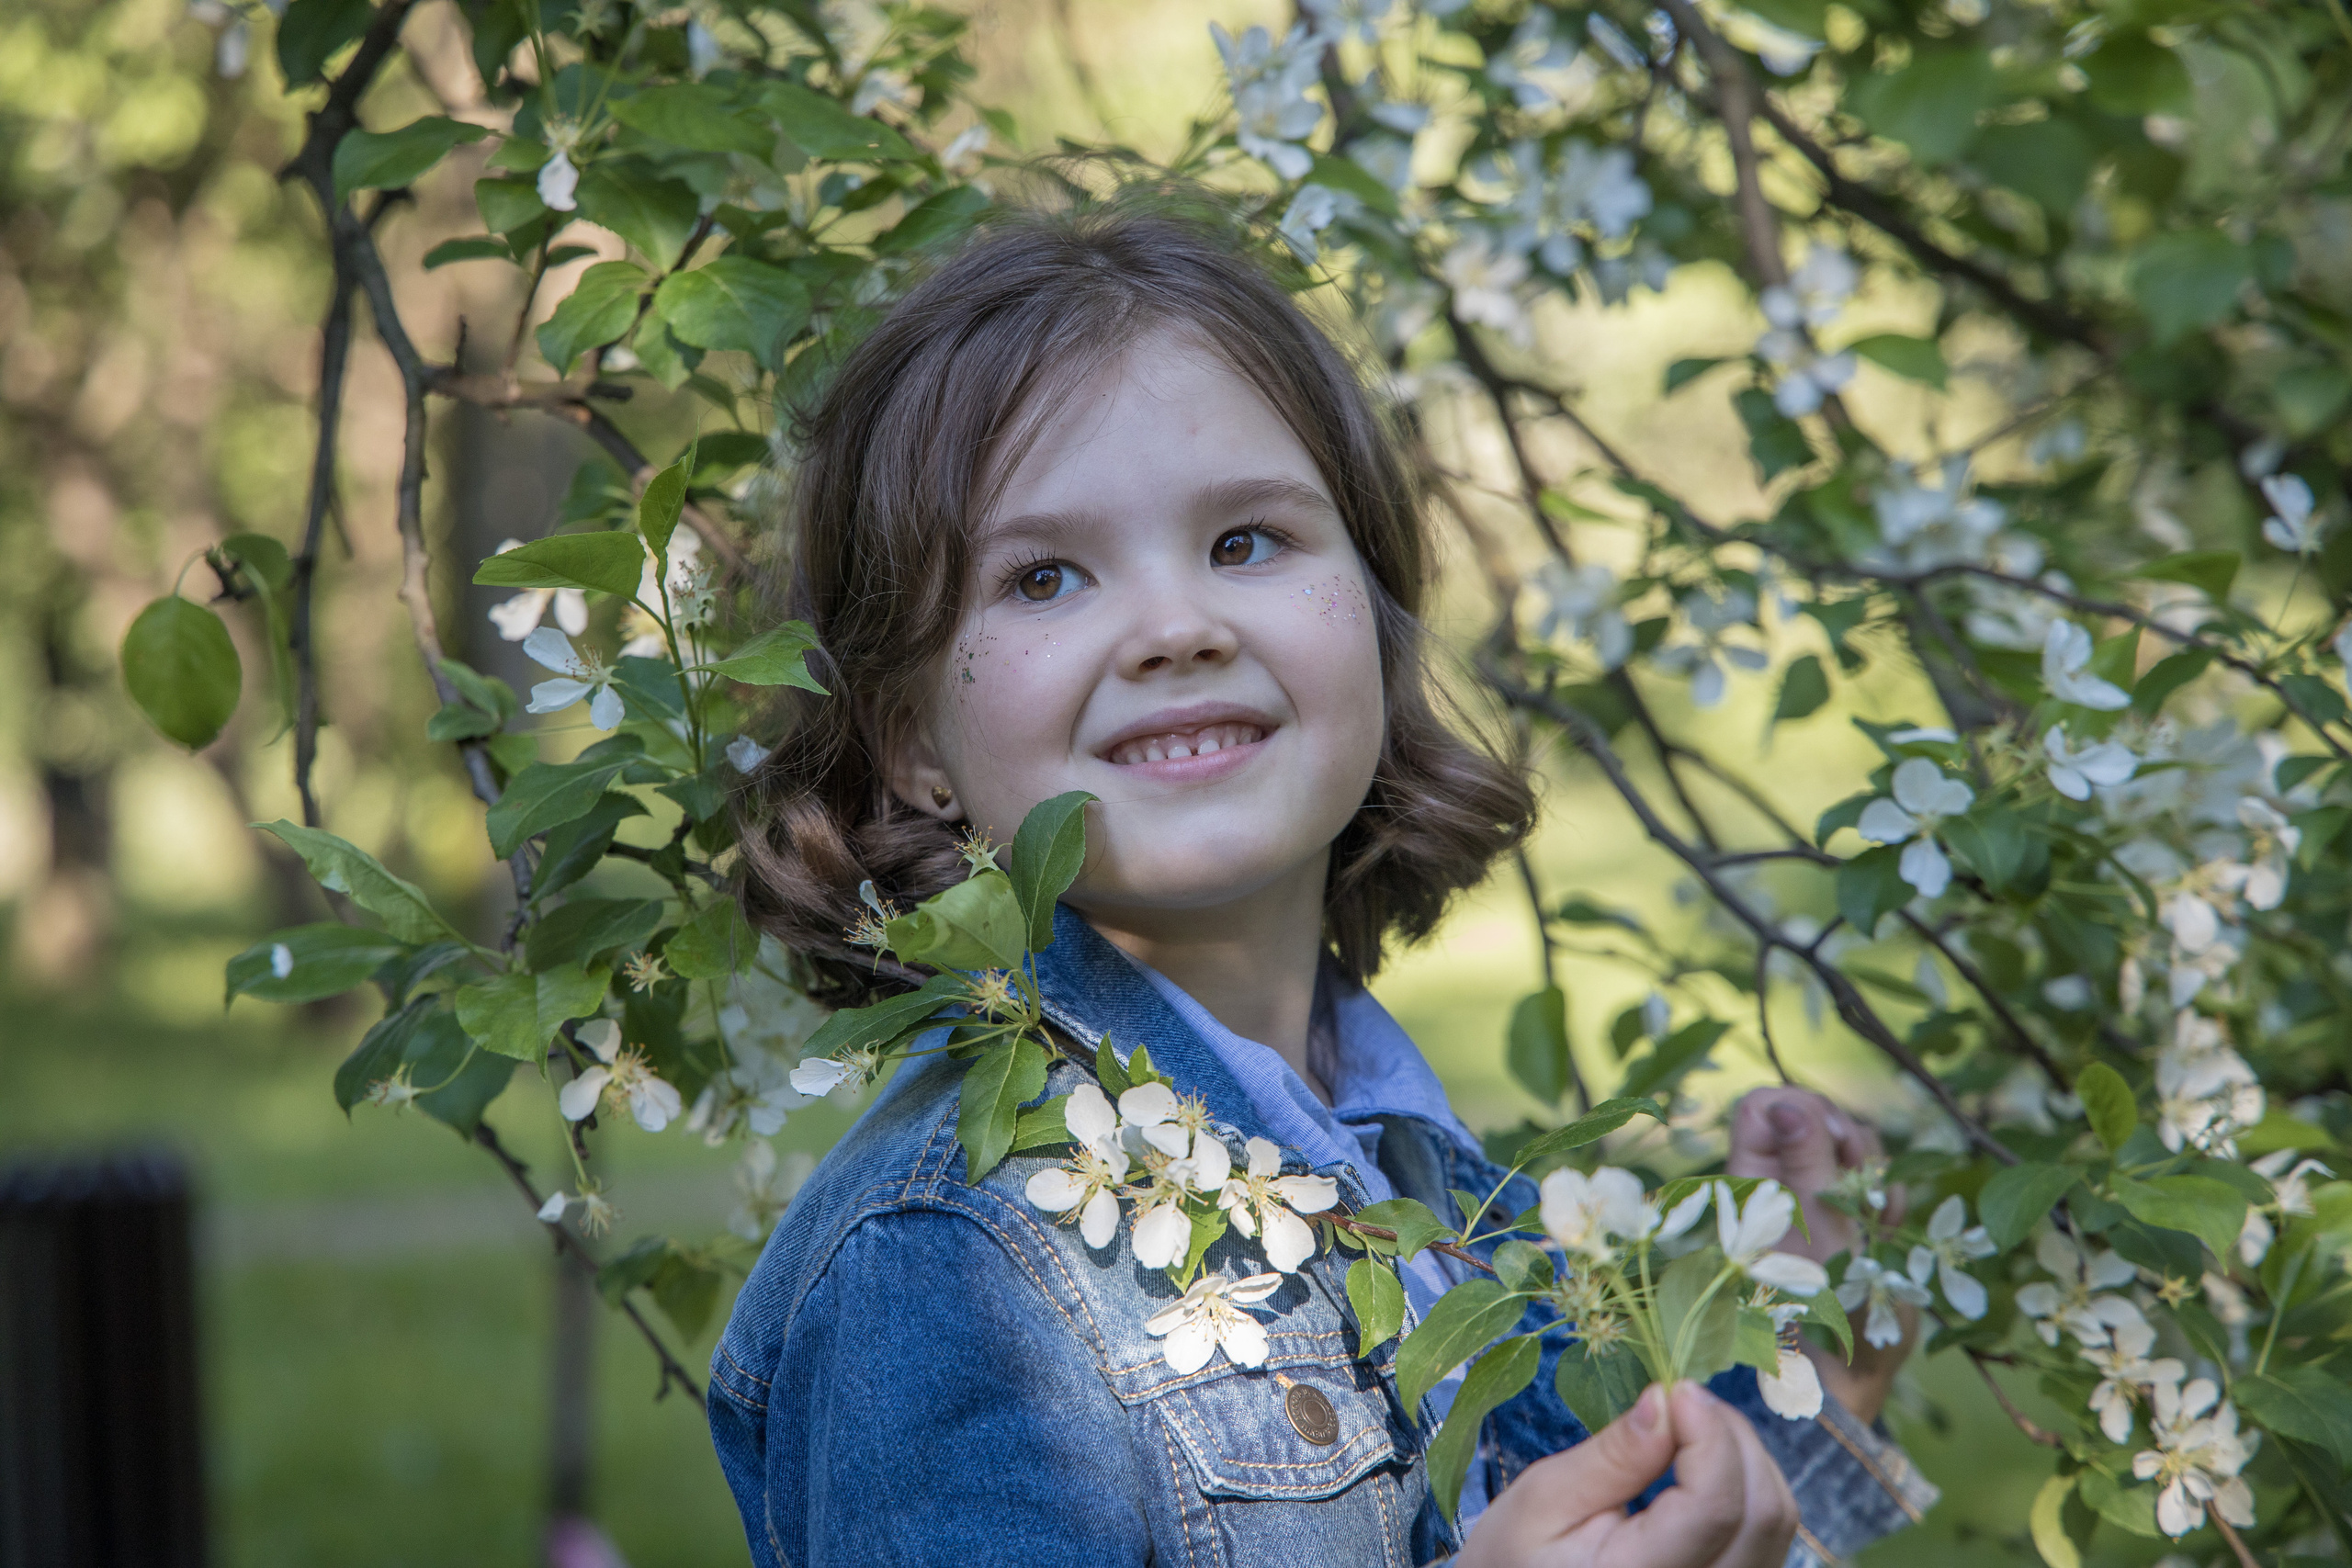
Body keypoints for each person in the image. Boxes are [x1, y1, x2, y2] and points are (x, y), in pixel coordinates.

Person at [711, 205, 1936, 1567]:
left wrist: (1800, 1387)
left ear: (1375, 614)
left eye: (1247, 542)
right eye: (1046, 576)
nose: (1179, 628)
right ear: (911, 741)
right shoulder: (951, 1265)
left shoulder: (1415, 1170)